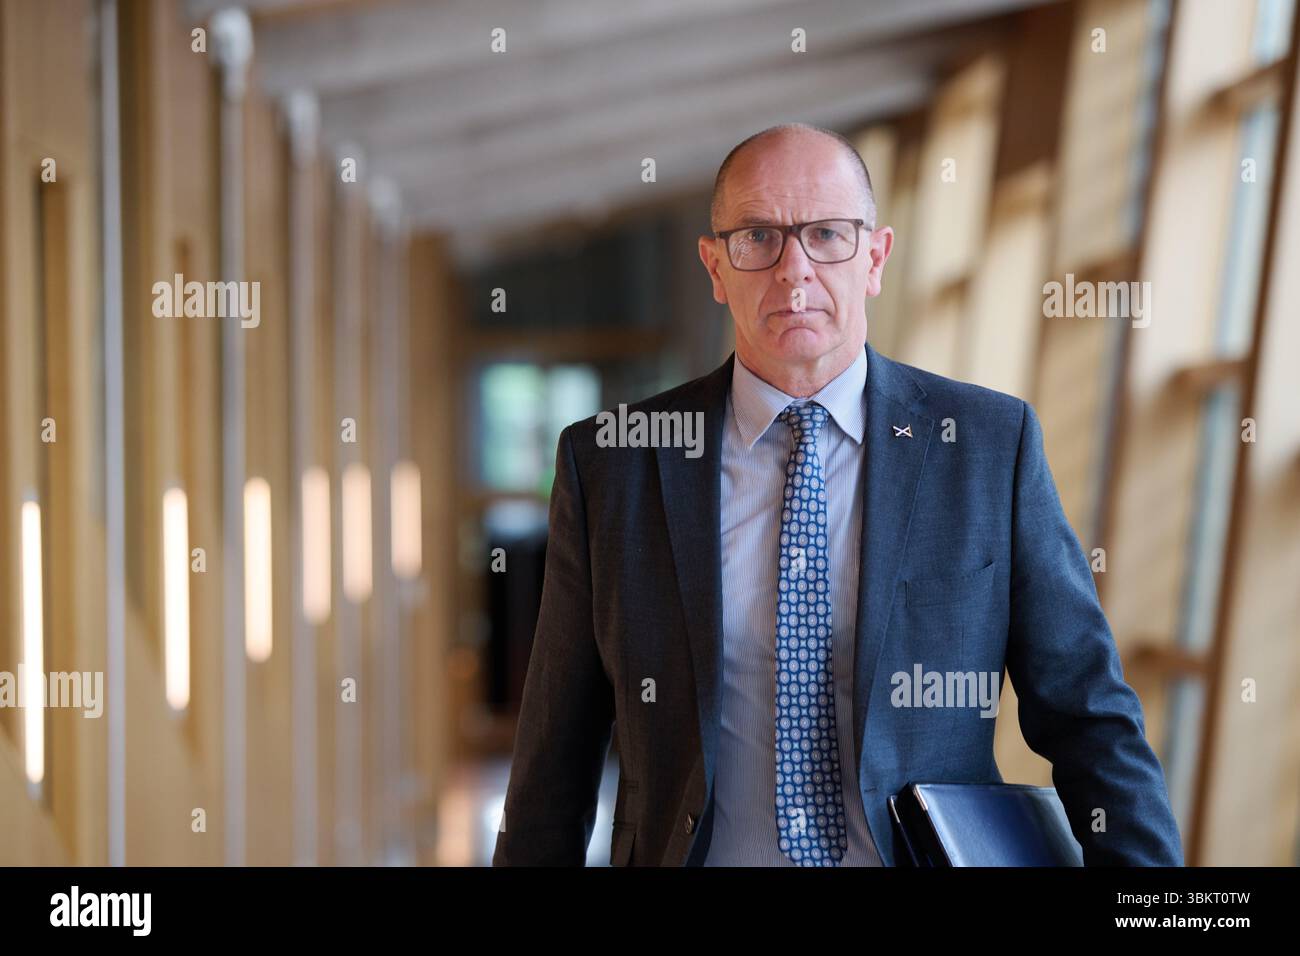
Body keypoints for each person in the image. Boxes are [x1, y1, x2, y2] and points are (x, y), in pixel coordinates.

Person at [492, 123, 1183, 867]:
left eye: (827, 234)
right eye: (759, 236)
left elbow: (1087, 715)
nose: (795, 271)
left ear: (876, 257)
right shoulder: (613, 464)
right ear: (716, 265)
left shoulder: (987, 445)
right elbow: (554, 758)